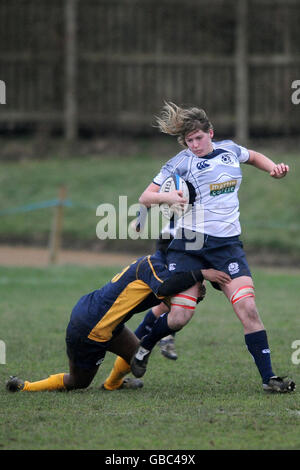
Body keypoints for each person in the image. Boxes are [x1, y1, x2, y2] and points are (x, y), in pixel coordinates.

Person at [130, 101, 295, 393]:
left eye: (198, 138)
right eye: (189, 140)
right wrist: (169, 200)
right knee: (180, 316)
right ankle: (146, 344)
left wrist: (273, 169)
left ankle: (269, 378)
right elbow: (146, 196)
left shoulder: (229, 149)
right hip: (189, 247)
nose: (194, 145)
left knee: (249, 308)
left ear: (211, 133)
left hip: (228, 247)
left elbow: (253, 156)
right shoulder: (180, 162)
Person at [6, 249, 230, 393]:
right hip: (92, 325)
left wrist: (194, 295)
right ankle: (24, 387)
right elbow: (165, 289)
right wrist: (199, 274)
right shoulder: (155, 265)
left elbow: (174, 307)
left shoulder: (163, 267)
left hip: (106, 322)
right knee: (79, 381)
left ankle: (111, 385)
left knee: (137, 355)